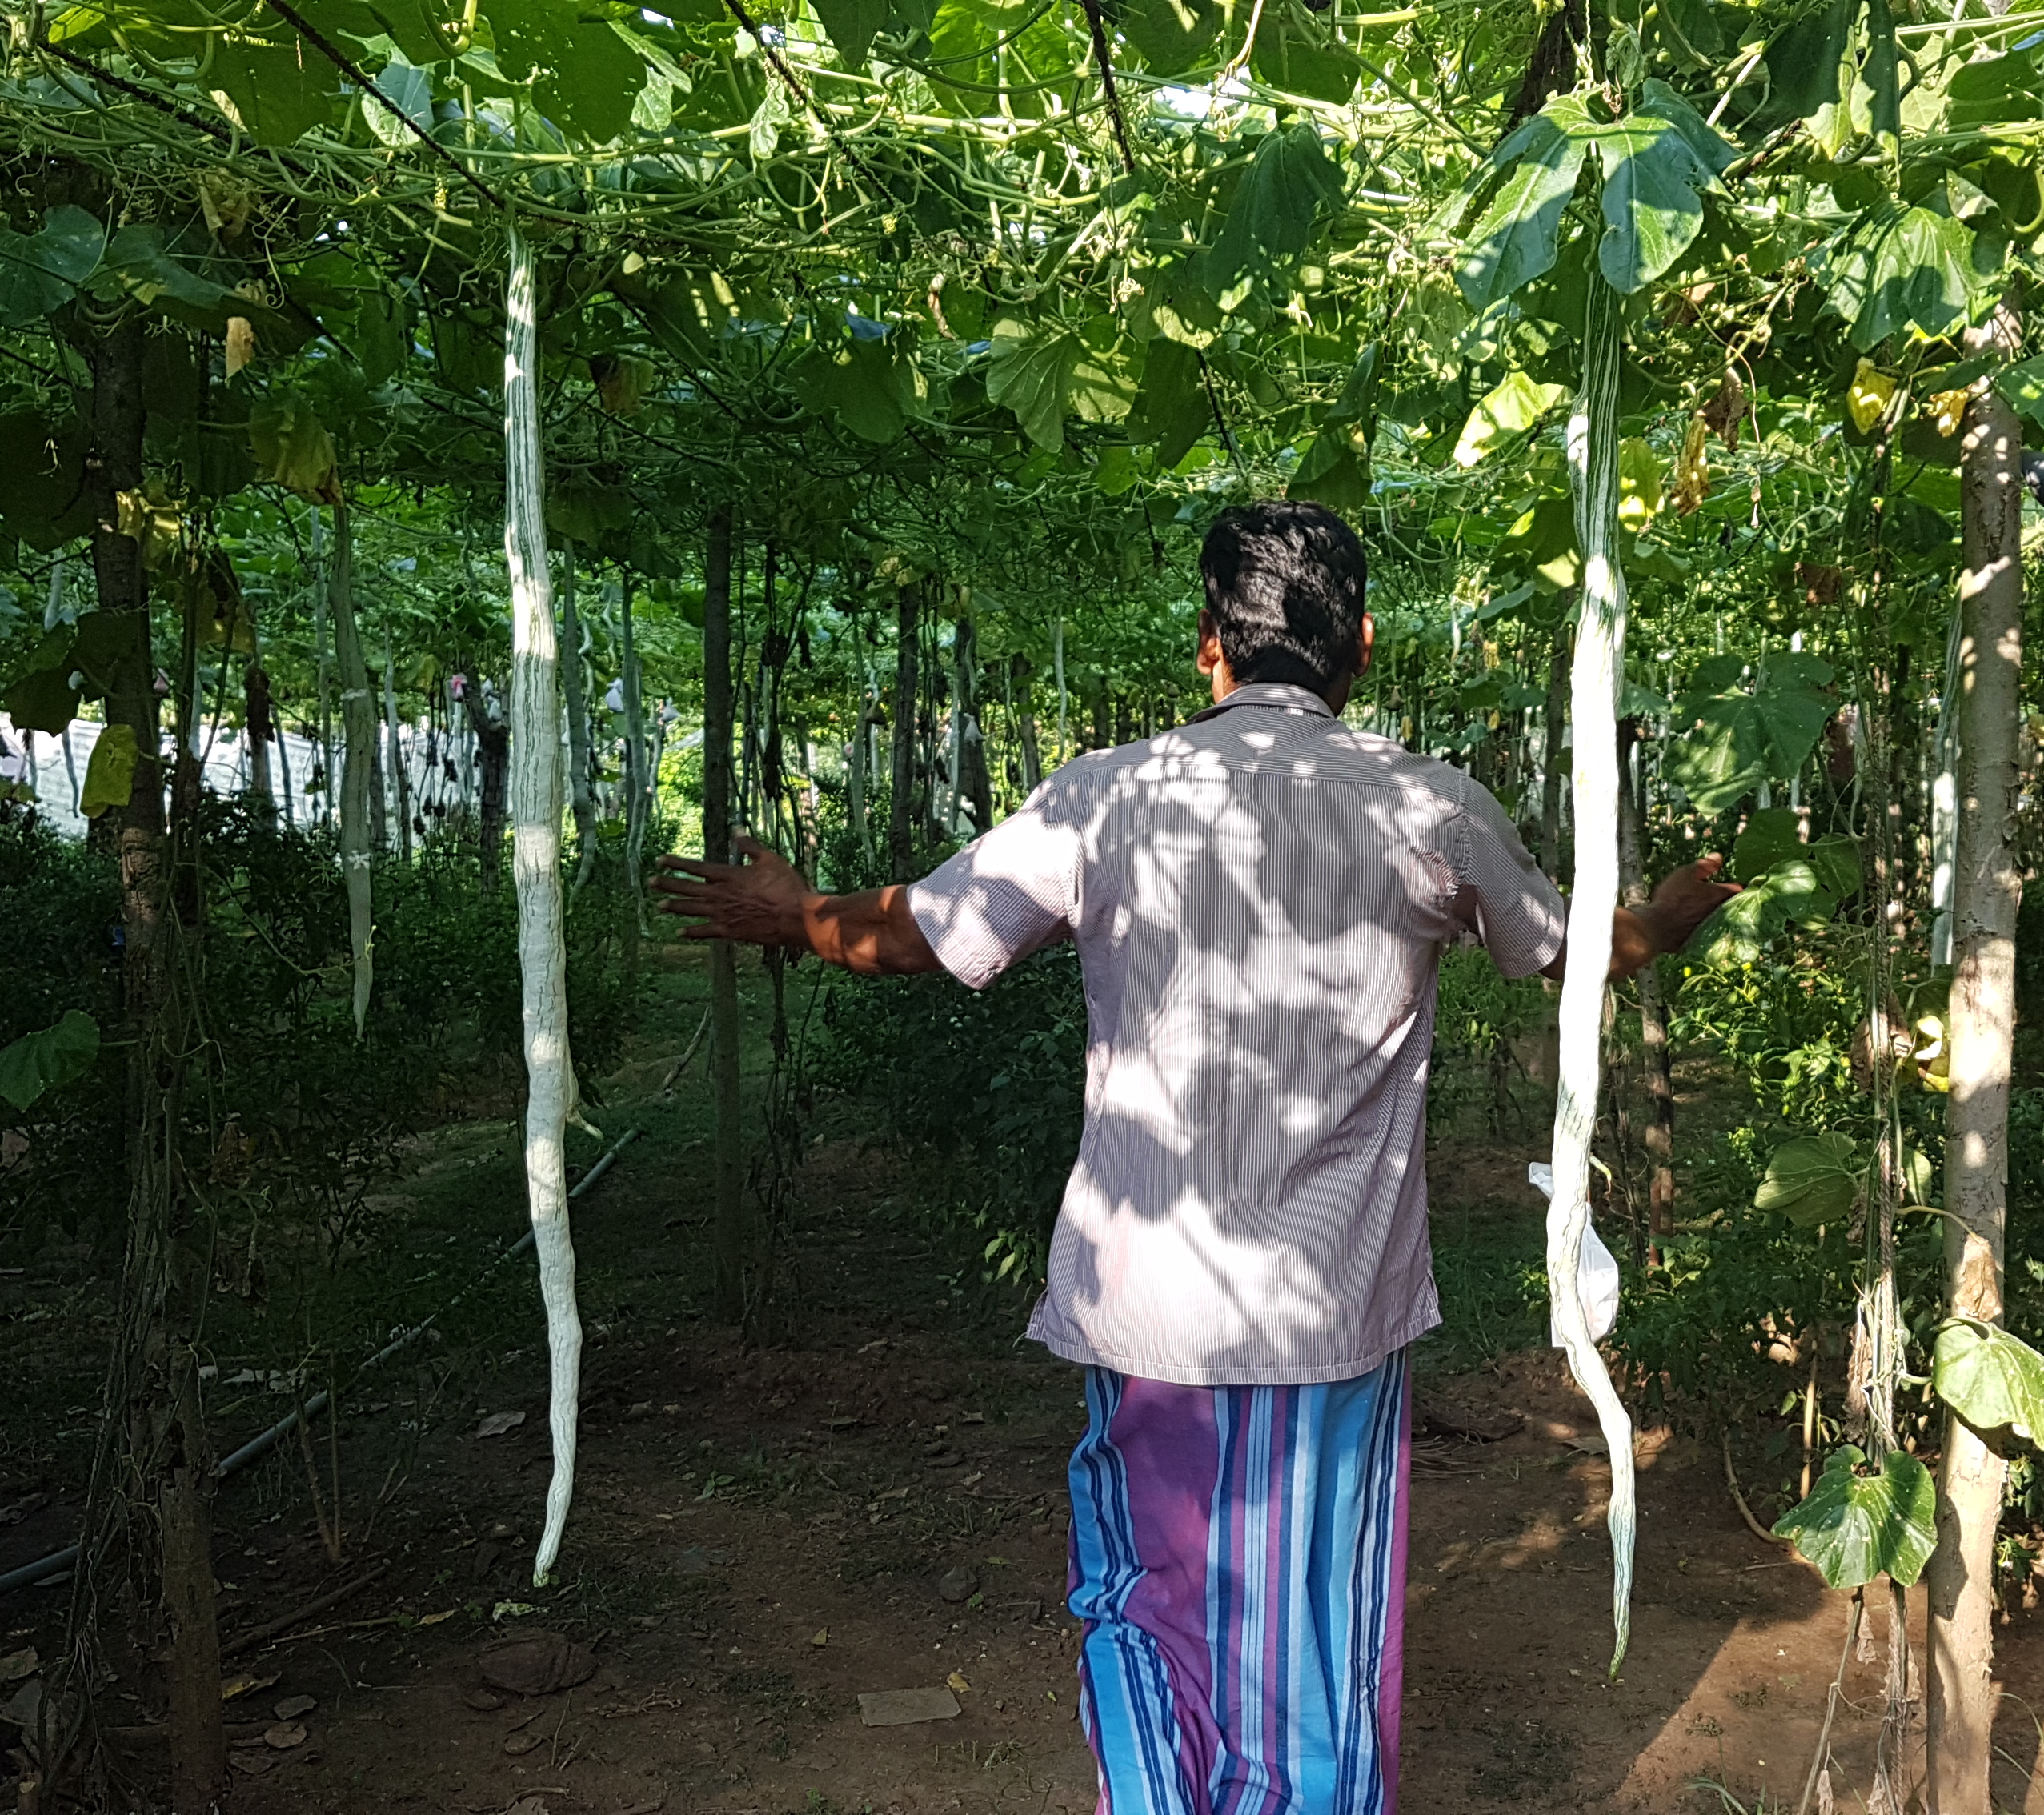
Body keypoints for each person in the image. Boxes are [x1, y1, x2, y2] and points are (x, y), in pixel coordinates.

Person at [651, 499, 1736, 1815]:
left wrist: (792, 914)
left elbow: (922, 935)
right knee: (1314, 1647)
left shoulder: (1110, 797)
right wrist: (1665, 920)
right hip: (1328, 1313)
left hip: (1147, 1302)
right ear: (1365, 646)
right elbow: (1573, 957)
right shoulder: (1428, 809)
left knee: (1145, 1606)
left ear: (1209, 642)